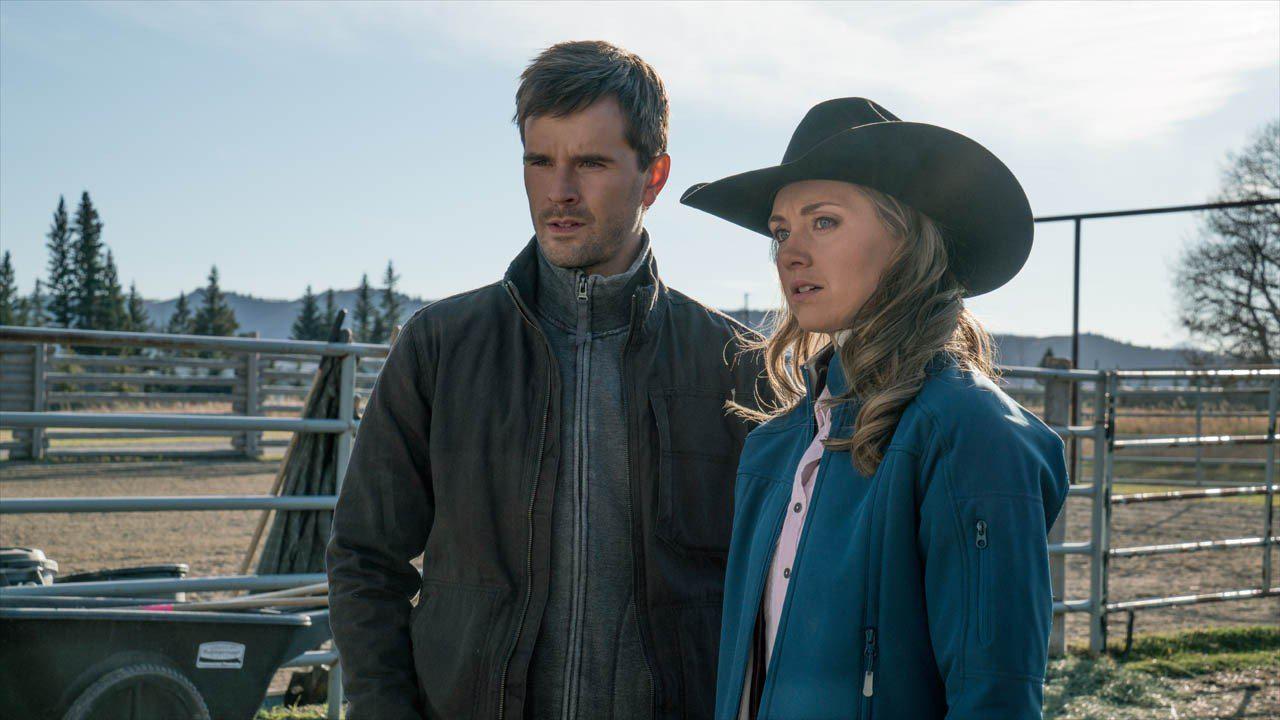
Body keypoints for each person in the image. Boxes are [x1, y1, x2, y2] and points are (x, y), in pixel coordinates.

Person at [326, 41, 770, 720]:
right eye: (540, 161)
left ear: (653, 176)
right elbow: (365, 556)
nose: (559, 191)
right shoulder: (441, 346)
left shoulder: (732, 364)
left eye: (590, 162)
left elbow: (772, 586)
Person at [680, 97, 1070, 719]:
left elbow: (993, 698)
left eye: (824, 222)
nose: (788, 253)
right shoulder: (775, 446)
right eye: (781, 231)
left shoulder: (969, 433)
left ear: (906, 236)